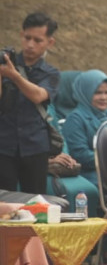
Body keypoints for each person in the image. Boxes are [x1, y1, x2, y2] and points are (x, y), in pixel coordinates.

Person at [0, 13, 61, 194]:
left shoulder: (50, 73)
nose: (30, 45)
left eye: (38, 40)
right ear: (21, 35)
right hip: (4, 144)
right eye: (27, 38)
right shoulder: (6, 64)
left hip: (35, 145)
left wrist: (14, 76)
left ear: (50, 42)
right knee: (4, 201)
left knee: (35, 201)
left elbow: (38, 96)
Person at [62, 70, 107, 187]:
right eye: (97, 93)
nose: (104, 97)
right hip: (91, 176)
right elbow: (80, 155)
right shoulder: (76, 119)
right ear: (85, 92)